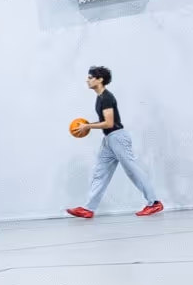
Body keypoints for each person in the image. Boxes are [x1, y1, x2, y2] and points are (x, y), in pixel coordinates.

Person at [67, 66, 165, 219]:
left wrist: (87, 126)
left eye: (90, 77)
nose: (87, 80)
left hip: (117, 137)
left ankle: (154, 203)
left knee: (132, 170)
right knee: (100, 173)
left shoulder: (106, 97)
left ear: (100, 80)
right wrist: (91, 126)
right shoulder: (99, 98)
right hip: (109, 139)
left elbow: (109, 123)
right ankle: (88, 208)